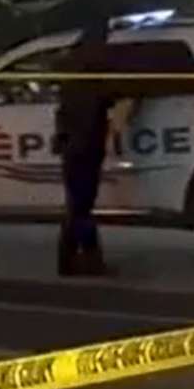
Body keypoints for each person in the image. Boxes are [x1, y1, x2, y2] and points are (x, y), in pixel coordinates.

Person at [55, 22, 121, 277]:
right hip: (87, 143)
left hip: (70, 142)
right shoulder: (96, 72)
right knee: (81, 205)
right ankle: (78, 261)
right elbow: (112, 97)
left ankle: (75, 260)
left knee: (77, 204)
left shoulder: (70, 66)